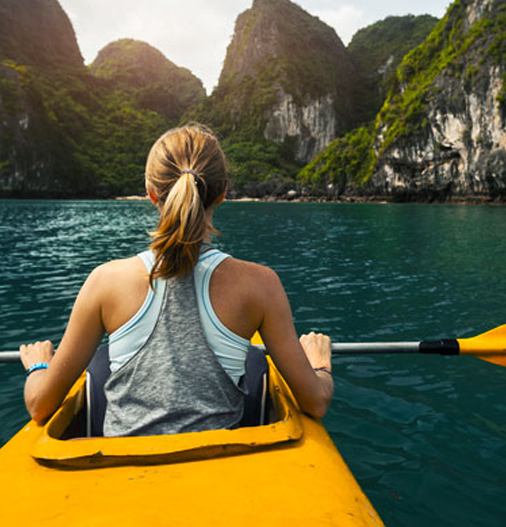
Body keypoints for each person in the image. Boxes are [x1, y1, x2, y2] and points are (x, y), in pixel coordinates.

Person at [18, 123, 333, 436]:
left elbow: (40, 406)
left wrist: (38, 367)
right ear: (222, 192)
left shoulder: (105, 282)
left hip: (120, 475)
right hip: (217, 473)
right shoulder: (260, 284)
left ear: (151, 193)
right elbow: (315, 402)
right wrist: (319, 364)